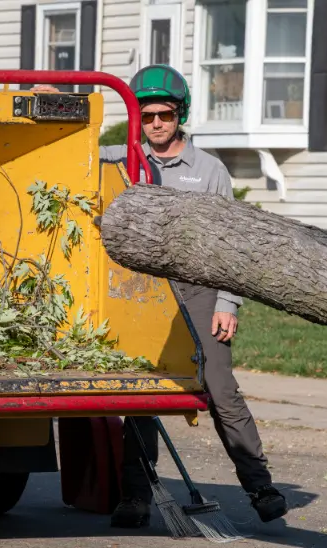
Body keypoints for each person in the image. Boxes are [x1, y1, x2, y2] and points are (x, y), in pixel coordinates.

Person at [31, 64, 288, 528]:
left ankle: (259, 486)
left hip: (199, 290)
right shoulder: (116, 159)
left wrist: (229, 303)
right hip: (140, 294)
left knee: (220, 389)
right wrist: (52, 103)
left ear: (179, 115)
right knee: (141, 394)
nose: (155, 125)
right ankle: (136, 497)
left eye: (164, 115)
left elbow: (230, 244)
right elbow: (70, 151)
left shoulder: (209, 170)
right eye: (146, 116)